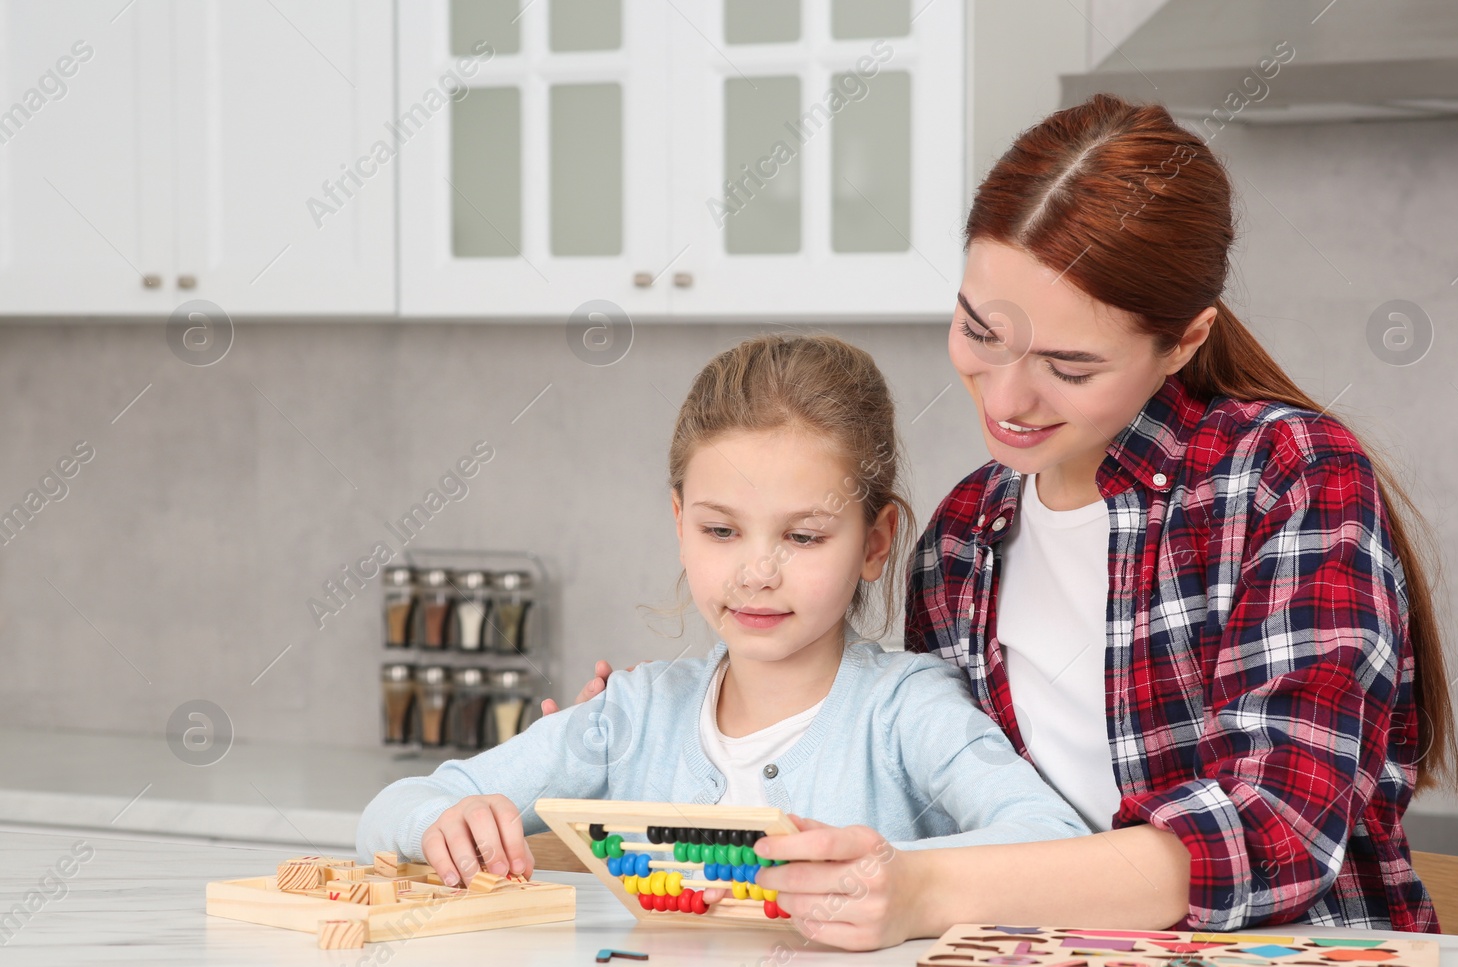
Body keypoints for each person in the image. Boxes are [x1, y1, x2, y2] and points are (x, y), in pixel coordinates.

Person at [566, 94, 1457, 950]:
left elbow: (1276, 829)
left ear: (1182, 343)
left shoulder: (1284, 475)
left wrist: (927, 890)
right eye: (981, 331)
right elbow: (921, 787)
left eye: (1069, 366)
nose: (1008, 397)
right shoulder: (962, 538)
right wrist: (661, 740)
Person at [356, 335, 1089, 890]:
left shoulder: (907, 712)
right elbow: (395, 810)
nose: (757, 572)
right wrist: (439, 822)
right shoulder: (632, 717)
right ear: (678, 521)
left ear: (875, 542)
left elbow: (1049, 841)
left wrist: (889, 869)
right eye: (720, 531)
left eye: (803, 536)